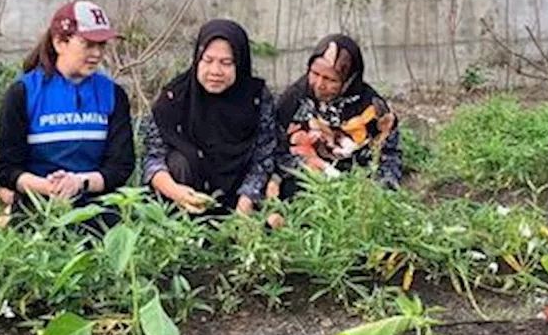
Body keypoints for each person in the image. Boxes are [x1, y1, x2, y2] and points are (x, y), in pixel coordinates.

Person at [0, 0, 135, 217]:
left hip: (97, 208)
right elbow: (7, 169)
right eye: (88, 44)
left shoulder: (113, 94)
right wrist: (49, 187)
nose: (97, 54)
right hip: (38, 208)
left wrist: (79, 182)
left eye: (102, 45)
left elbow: (120, 166)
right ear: (60, 43)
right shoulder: (23, 93)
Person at [141, 19, 276, 217]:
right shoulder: (175, 97)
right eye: (208, 60)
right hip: (184, 201)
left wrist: (245, 204)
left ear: (240, 62)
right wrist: (176, 192)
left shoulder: (255, 99)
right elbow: (153, 157)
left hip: (240, 199)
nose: (215, 71)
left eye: (226, 63)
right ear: (197, 59)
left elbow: (264, 157)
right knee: (178, 162)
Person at [268, 33, 402, 202]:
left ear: (348, 80)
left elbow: (389, 156)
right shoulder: (295, 99)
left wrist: (379, 191)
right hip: (307, 179)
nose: (319, 84)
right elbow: (276, 147)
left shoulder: (372, 110)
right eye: (314, 73)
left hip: (356, 184)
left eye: (330, 79)